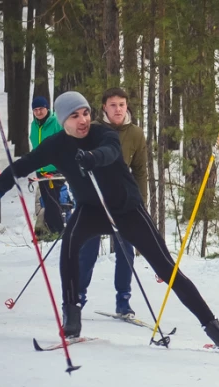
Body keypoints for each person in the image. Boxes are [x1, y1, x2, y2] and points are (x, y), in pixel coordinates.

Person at [0, 91, 219, 351]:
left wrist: (92, 158)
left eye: (85, 113)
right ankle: (72, 315)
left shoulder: (102, 134)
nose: (83, 120)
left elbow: (110, 150)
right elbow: (23, 165)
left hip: (126, 208)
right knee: (69, 246)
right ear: (62, 121)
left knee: (167, 269)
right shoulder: (56, 145)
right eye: (75, 116)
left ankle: (213, 327)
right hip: (91, 209)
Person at [77, 87, 148, 316]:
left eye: (122, 105)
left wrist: (139, 202)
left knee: (125, 250)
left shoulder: (136, 134)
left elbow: (139, 171)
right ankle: (77, 297)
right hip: (95, 197)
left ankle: (123, 300)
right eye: (113, 105)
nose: (118, 109)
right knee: (88, 249)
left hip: (122, 199)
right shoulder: (93, 130)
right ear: (104, 108)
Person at [29, 95, 65, 236]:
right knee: (46, 200)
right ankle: (51, 230)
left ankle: (59, 231)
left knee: (52, 201)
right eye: (35, 110)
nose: (38, 112)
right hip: (41, 169)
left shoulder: (55, 121)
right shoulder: (34, 125)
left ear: (47, 108)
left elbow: (64, 141)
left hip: (54, 168)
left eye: (41, 109)